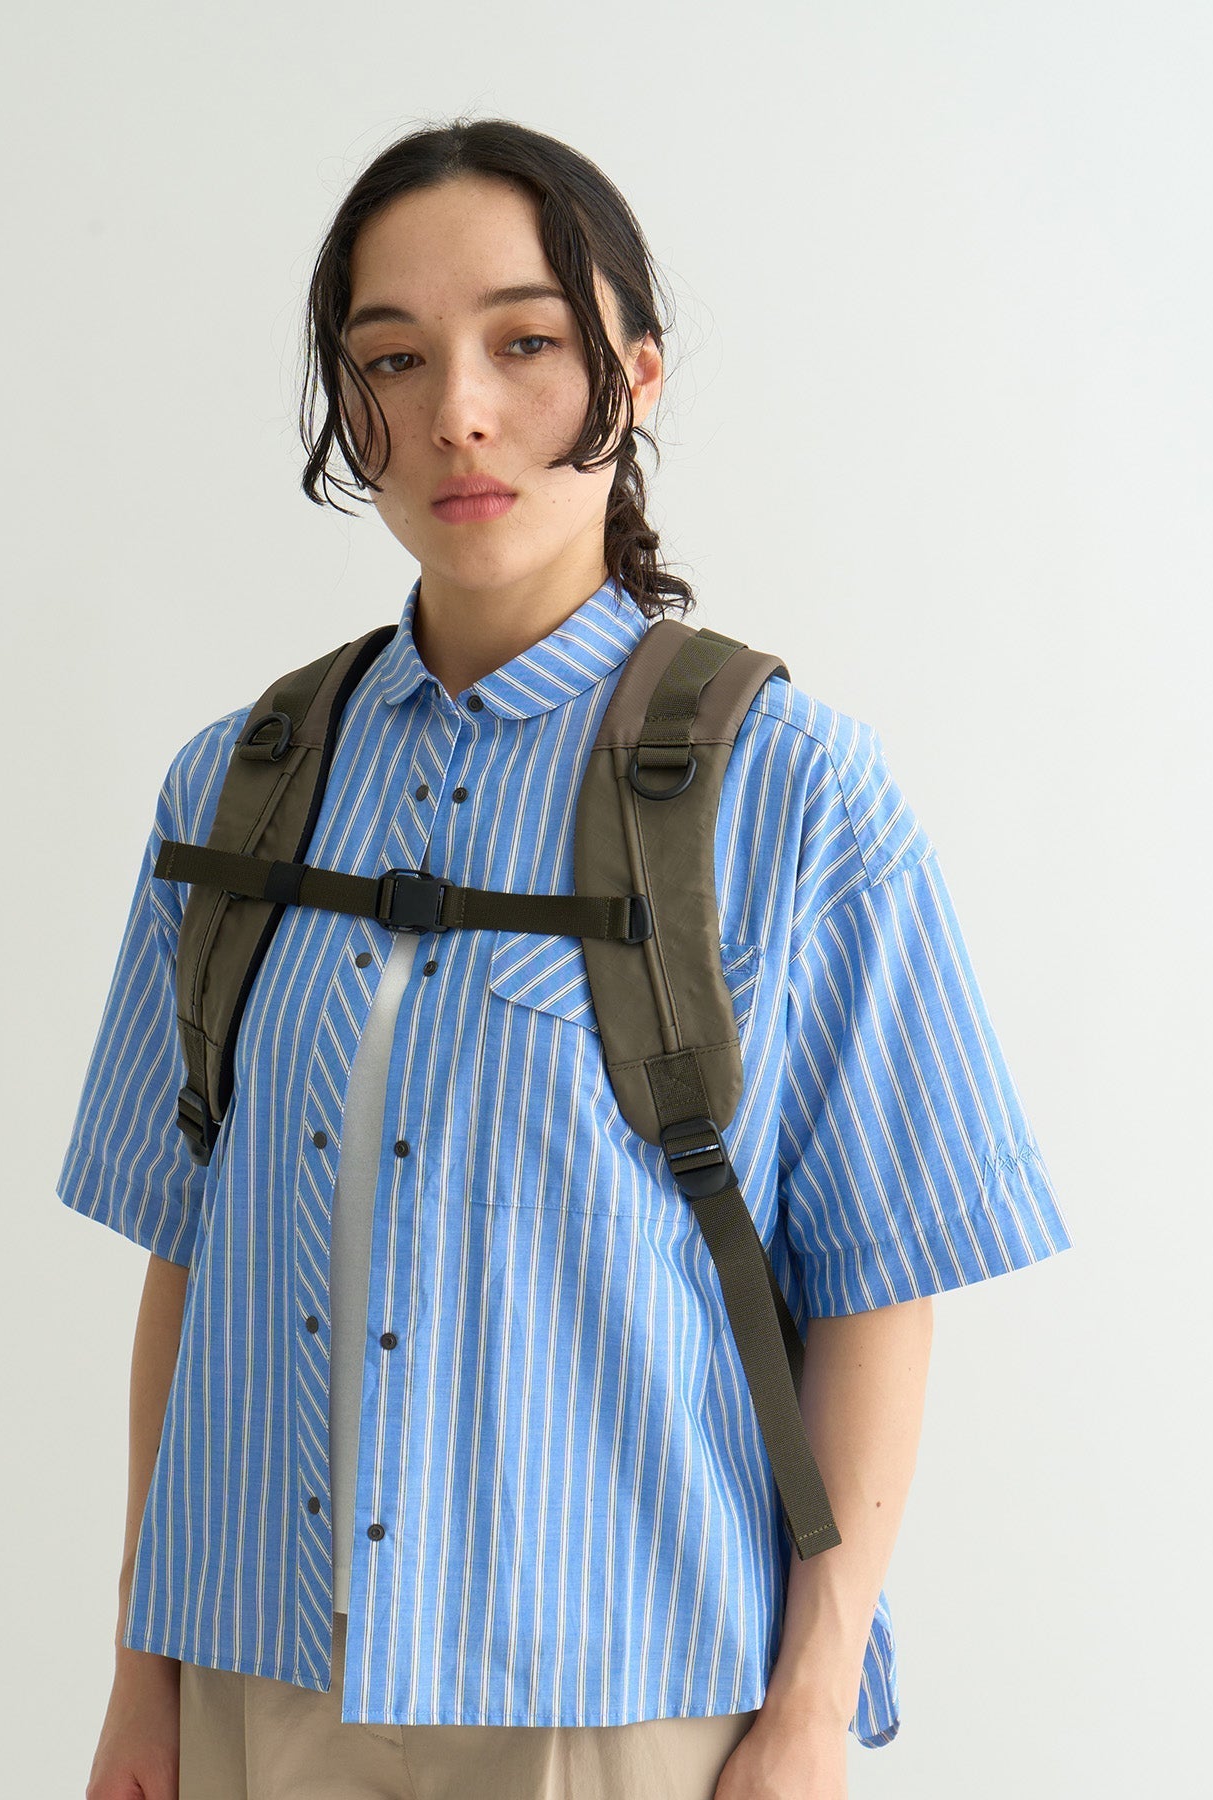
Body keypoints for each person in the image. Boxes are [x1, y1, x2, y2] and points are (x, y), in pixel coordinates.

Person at [59, 117, 1074, 1800]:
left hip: (617, 1691)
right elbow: (187, 1251)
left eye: (525, 344)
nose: (457, 411)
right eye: (393, 359)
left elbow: (882, 1277)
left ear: (635, 376)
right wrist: (138, 1674)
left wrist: (809, 1710)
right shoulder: (237, 784)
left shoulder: (792, 792)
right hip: (261, 1676)